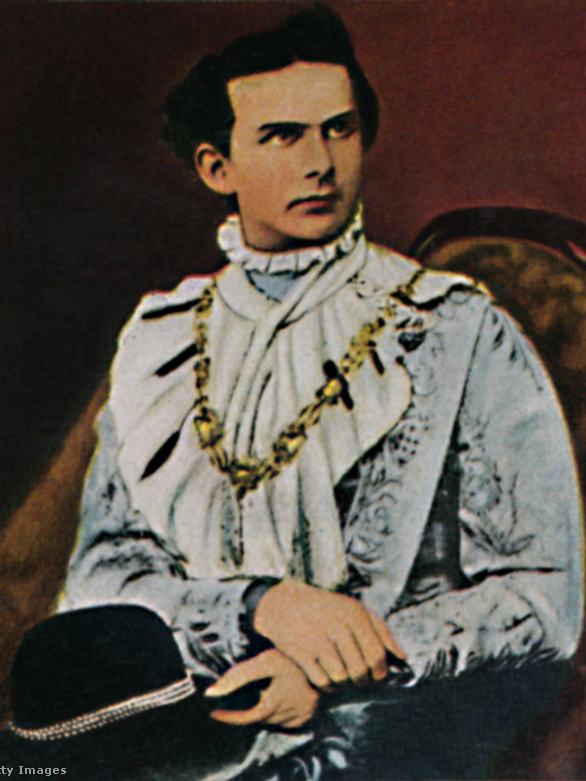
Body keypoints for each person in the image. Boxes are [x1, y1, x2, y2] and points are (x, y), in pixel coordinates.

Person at [57, 5, 583, 779]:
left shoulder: (452, 328)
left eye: (339, 130)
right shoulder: (163, 340)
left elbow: (546, 600)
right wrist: (260, 607)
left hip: (387, 727)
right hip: (184, 720)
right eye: (282, 136)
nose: (320, 163)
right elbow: (99, 573)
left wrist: (338, 668)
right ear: (217, 167)